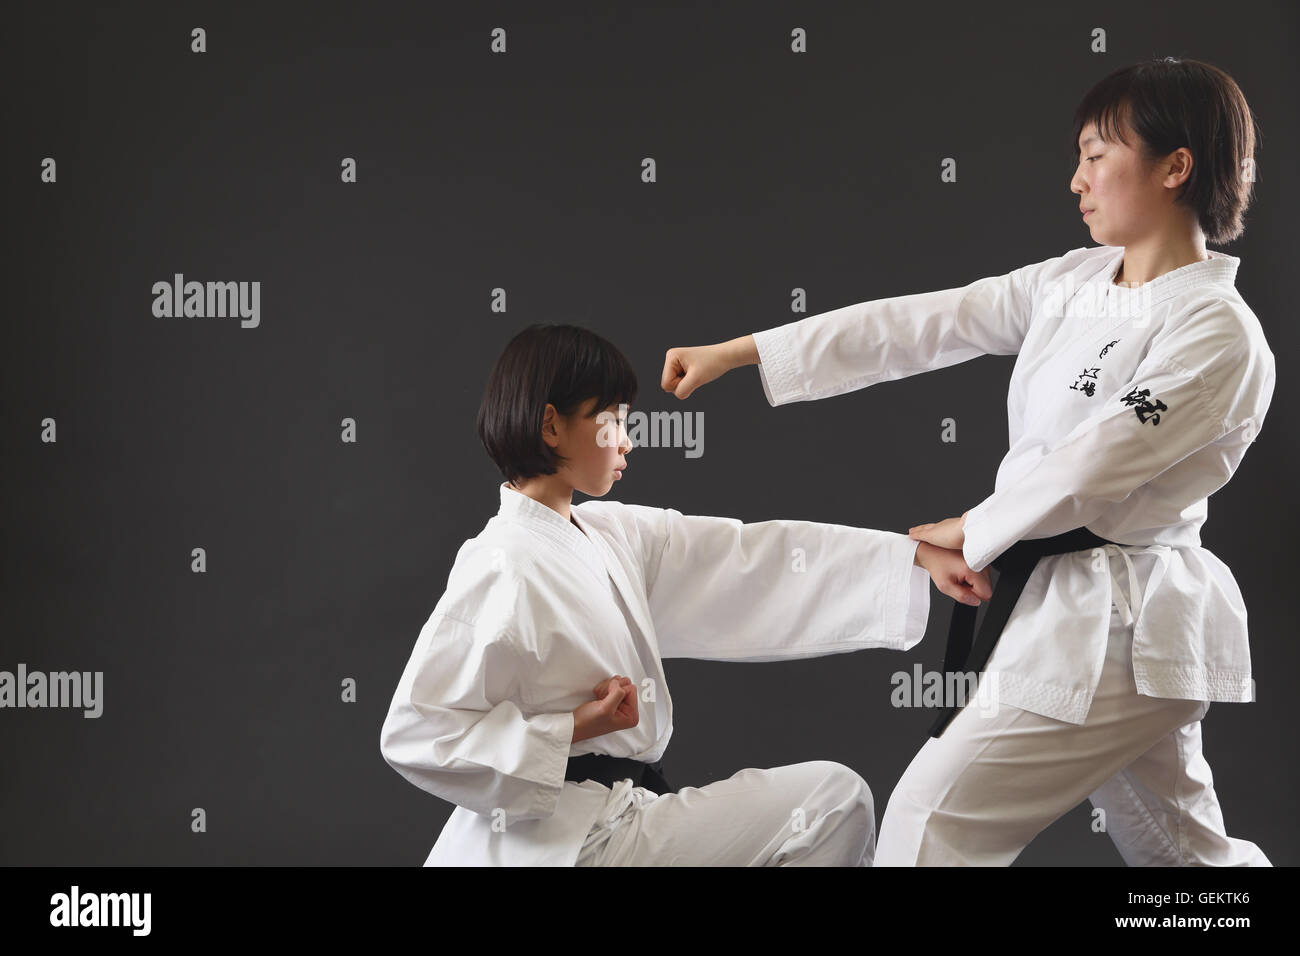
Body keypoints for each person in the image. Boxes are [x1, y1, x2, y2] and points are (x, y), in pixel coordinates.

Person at [660, 57, 1274, 866]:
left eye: (1096, 156)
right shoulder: (1075, 281)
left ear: (1175, 166)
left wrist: (974, 529)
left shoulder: (1218, 331)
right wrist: (745, 352)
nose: (1076, 181)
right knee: (1186, 858)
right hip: (1085, 620)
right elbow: (925, 323)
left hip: (1122, 628)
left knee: (930, 820)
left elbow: (1098, 462)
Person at [379, 323, 991, 866]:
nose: (627, 440)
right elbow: (417, 734)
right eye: (612, 419)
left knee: (832, 801)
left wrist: (906, 558)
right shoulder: (502, 562)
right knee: (832, 800)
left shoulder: (608, 535)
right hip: (570, 841)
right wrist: (571, 729)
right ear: (550, 425)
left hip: (619, 817)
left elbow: (744, 557)